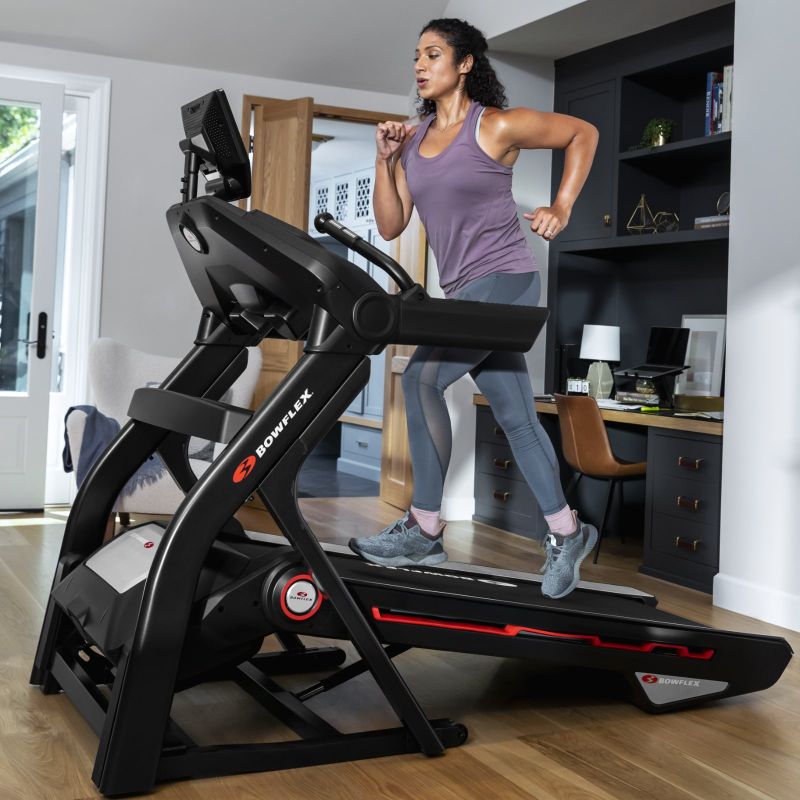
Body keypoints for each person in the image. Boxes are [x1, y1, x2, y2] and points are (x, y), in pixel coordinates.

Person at [348, 18, 600, 600]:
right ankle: (568, 531)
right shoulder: (413, 139)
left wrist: (561, 205)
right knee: (516, 417)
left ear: (464, 64)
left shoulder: (496, 125)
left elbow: (582, 133)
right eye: (417, 55)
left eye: (433, 54)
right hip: (463, 291)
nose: (420, 65)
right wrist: (384, 159)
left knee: (421, 379)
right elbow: (391, 224)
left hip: (507, 279)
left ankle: (425, 527)